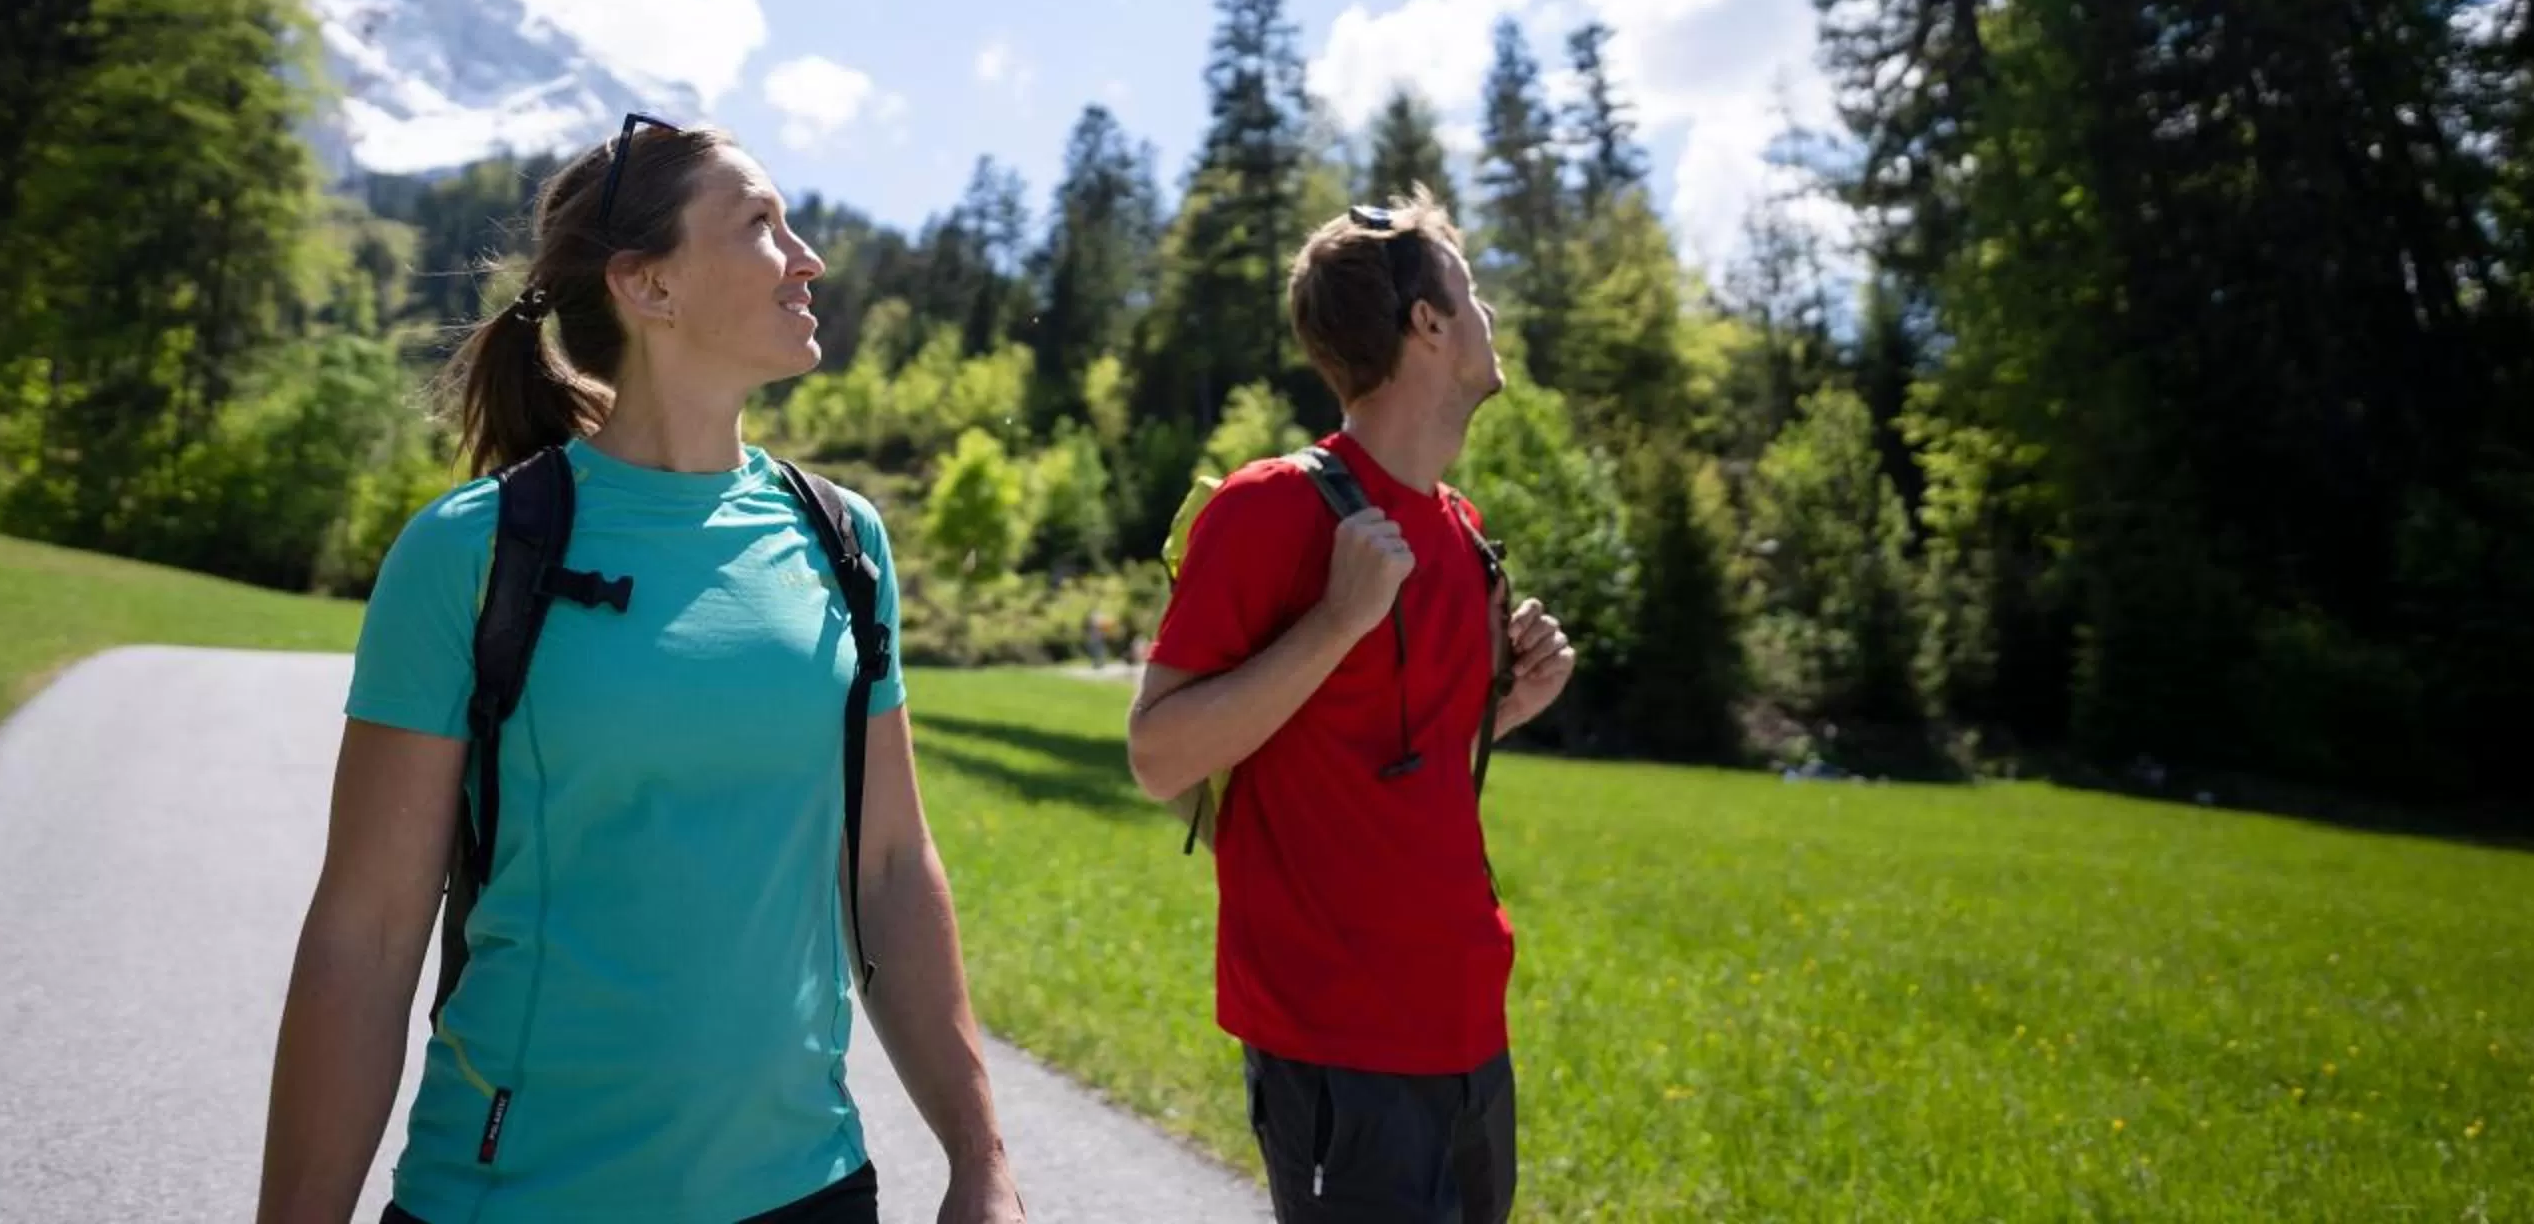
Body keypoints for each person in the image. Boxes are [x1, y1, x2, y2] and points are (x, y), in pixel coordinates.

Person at [258, 117, 1026, 1224]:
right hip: (515, 1198)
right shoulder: (469, 552)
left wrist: (982, 1160)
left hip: (807, 1190)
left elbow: (894, 868)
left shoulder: (842, 541)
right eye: (760, 225)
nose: (807, 257)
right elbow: (366, 931)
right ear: (648, 285)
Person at [1125, 193, 1576, 1224]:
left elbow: (1385, 749)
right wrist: (1337, 619)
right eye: (1469, 291)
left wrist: (1510, 706)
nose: (1487, 313)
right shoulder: (1271, 506)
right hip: (1336, 1041)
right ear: (1426, 321)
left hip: (1468, 1025)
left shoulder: (1464, 534)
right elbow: (1158, 755)